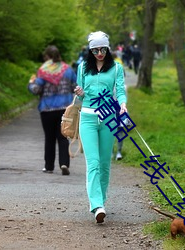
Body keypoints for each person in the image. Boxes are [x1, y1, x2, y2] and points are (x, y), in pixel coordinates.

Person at [74, 31, 127, 223]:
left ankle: (101, 201)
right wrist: (79, 92)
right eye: (95, 50)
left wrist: (122, 104)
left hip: (108, 119)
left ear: (108, 48)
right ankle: (96, 205)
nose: (99, 53)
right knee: (93, 163)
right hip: (87, 118)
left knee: (105, 164)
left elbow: (120, 90)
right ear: (90, 50)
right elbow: (80, 96)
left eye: (103, 49)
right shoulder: (82, 68)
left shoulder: (116, 68)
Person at [28, 45, 77, 175]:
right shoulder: (68, 70)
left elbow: (36, 90)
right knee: (63, 137)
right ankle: (64, 163)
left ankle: (49, 166)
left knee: (49, 138)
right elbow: (75, 87)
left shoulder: (43, 71)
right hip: (64, 109)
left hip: (47, 109)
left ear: (47, 57)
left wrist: (31, 83)